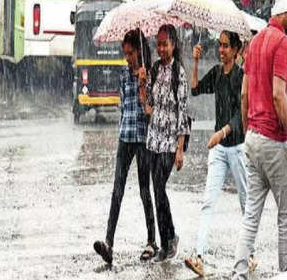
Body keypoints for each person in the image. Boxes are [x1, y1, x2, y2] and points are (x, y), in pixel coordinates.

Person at [232, 0, 287, 280]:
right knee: (286, 215)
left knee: (251, 214)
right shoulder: (281, 44)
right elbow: (278, 95)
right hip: (273, 143)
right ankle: (286, 274)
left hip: (252, 141)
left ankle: (238, 273)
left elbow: (244, 94)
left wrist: (249, 131)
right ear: (283, 13)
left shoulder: (257, 41)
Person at [184, 31, 257, 276]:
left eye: (226, 46)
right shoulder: (216, 73)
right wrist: (194, 61)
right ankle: (200, 256)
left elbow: (240, 116)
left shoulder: (241, 77)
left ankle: (251, 255)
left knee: (246, 203)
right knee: (208, 202)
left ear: (236, 50)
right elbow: (194, 89)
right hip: (218, 150)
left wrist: (222, 133)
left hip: (236, 148)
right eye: (220, 45)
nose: (221, 50)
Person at [93, 29, 158, 265]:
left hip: (142, 139)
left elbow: (151, 110)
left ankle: (152, 240)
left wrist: (144, 85)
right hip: (125, 137)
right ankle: (108, 242)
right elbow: (123, 105)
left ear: (139, 51)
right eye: (125, 53)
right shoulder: (122, 73)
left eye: (130, 53)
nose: (127, 57)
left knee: (144, 190)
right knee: (117, 191)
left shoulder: (150, 74)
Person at [137, 24, 191, 262]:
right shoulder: (155, 69)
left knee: (159, 188)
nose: (160, 48)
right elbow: (147, 105)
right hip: (153, 139)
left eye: (164, 44)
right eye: (158, 44)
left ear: (173, 45)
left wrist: (180, 150)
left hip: (170, 142)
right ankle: (166, 241)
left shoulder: (179, 72)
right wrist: (141, 82)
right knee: (157, 189)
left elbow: (183, 112)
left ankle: (169, 240)